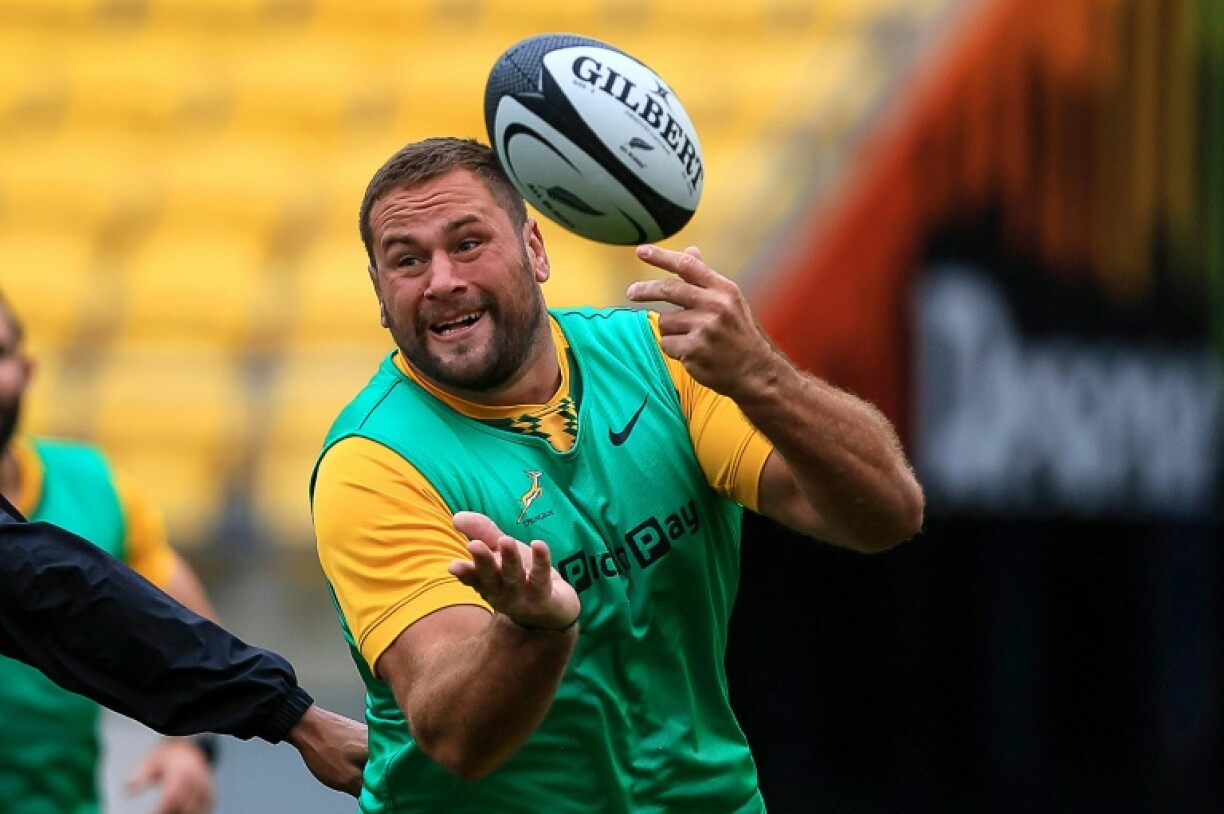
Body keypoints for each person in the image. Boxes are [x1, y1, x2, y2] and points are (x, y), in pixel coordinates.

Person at [311, 137, 925, 813]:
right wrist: (532, 631)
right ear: (379, 295)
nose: (442, 280)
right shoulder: (373, 462)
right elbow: (457, 739)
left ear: (535, 250)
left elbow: (886, 514)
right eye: (406, 260)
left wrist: (764, 377)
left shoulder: (659, 361)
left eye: (468, 243)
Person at [0, 492, 367, 797]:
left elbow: (103, 606)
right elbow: (63, 592)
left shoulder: (92, 482)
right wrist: (288, 714)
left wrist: (190, 743)